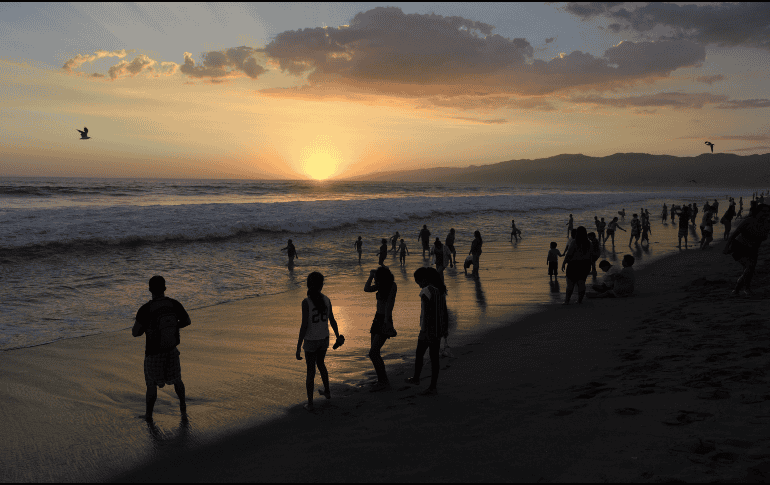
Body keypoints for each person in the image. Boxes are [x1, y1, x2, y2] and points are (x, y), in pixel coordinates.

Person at [132, 275, 191, 421]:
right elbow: (187, 321)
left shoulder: (145, 309)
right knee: (177, 379)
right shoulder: (173, 304)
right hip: (171, 349)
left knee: (151, 384)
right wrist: (173, 326)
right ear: (165, 288)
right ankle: (183, 407)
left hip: (153, 353)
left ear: (150, 289)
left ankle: (149, 415)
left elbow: (135, 332)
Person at [296, 272, 343, 411]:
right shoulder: (327, 299)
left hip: (311, 341)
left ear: (308, 284)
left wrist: (298, 346)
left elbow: (304, 326)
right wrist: (338, 336)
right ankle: (327, 392)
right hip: (324, 339)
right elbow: (332, 320)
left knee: (310, 371)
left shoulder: (306, 302)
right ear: (321, 285)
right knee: (321, 364)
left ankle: (310, 404)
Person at [404, 267, 448, 395]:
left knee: (420, 354)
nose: (418, 285)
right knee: (434, 358)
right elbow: (444, 312)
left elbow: (428, 312)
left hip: (428, 329)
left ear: (424, 280)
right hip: (438, 329)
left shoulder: (426, 291)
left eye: (418, 281)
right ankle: (432, 386)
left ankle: (417, 379)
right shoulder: (440, 291)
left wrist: (427, 331)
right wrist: (444, 329)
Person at [724, 204, 770, 296]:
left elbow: (762, 237)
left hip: (753, 249)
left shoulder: (767, 223)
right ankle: (740, 289)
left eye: (768, 211)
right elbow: (734, 234)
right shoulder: (748, 221)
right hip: (739, 247)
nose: (766, 213)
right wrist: (726, 247)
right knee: (749, 267)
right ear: (758, 212)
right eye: (763, 211)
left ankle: (741, 289)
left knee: (749, 270)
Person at [364, 267, 397, 391]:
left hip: (384, 319)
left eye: (377, 276)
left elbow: (389, 305)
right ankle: (382, 380)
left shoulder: (392, 286)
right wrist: (371, 276)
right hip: (377, 318)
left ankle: (384, 381)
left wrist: (387, 323)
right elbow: (366, 288)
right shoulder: (380, 285)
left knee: (373, 352)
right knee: (374, 353)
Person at [561, 226, 592, 304]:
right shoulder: (589, 243)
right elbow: (592, 255)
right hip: (585, 264)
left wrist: (564, 262)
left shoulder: (574, 242)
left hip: (574, 264)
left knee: (570, 284)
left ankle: (567, 301)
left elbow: (569, 253)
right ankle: (579, 301)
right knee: (581, 283)